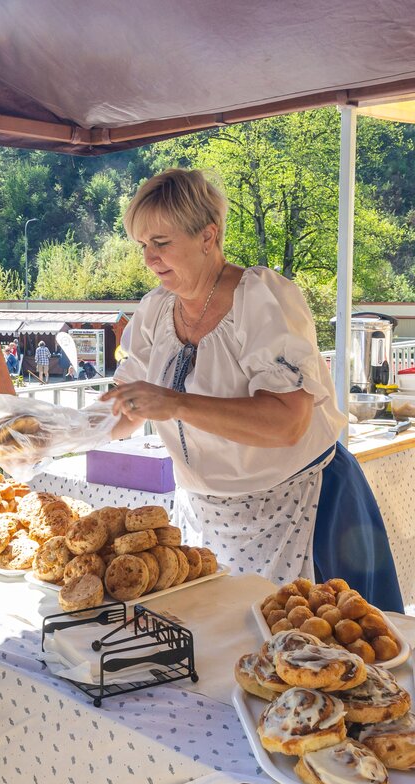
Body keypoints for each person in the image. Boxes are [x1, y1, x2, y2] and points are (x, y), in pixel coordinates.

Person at [100, 168, 402, 612]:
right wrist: (47, 434)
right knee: (223, 658)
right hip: (208, 517)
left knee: (320, 657)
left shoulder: (261, 300)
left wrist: (176, 403)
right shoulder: (154, 312)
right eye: (143, 245)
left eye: (161, 243)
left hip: (304, 508)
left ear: (208, 236)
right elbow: (125, 410)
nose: (149, 258)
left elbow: (287, 423)